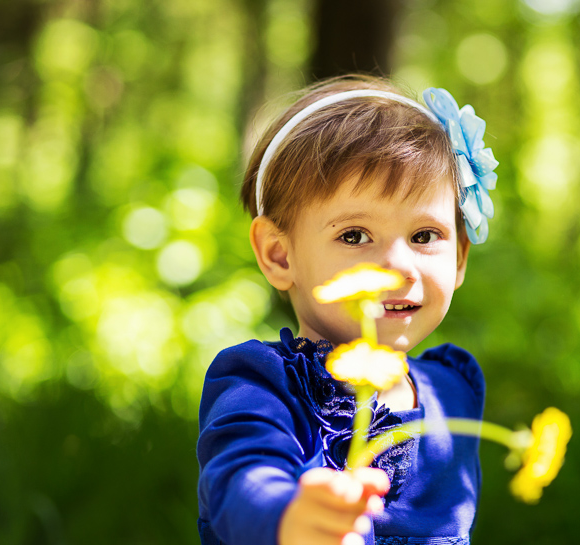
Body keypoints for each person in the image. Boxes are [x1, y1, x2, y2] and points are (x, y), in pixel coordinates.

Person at [196, 76, 499, 545]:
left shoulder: (453, 390)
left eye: (425, 236)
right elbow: (240, 476)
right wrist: (287, 513)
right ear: (279, 255)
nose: (398, 266)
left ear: (460, 255)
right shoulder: (263, 385)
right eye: (354, 235)